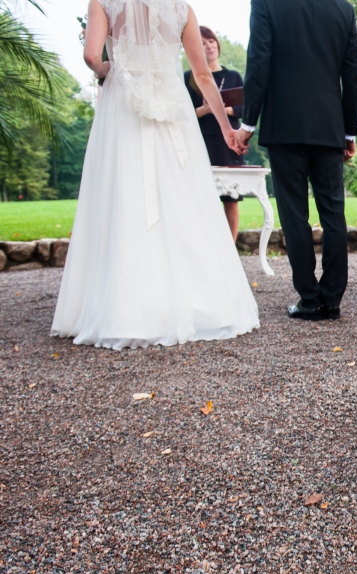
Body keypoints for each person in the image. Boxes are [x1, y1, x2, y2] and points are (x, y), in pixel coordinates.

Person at [51, 0, 259, 350]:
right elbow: (202, 76)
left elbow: (90, 56)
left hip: (124, 104)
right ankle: (200, 301)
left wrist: (109, 68)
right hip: (173, 110)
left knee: (124, 192)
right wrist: (226, 128)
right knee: (181, 199)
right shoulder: (181, 9)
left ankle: (122, 305)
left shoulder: (103, 2)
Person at [235, 0, 357, 322]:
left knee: (294, 214)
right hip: (330, 127)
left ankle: (308, 299)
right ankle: (331, 300)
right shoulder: (343, 9)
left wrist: (248, 123)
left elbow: (258, 61)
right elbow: (352, 74)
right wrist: (349, 132)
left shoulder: (267, 3)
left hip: (284, 125)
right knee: (333, 213)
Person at [184, 26, 245, 242]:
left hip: (228, 142)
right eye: (202, 43)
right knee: (200, 197)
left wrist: (220, 108)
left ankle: (231, 246)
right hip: (200, 141)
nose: (209, 46)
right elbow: (184, 114)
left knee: (231, 199)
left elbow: (242, 110)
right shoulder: (189, 78)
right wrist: (205, 110)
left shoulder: (233, 76)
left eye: (211, 41)